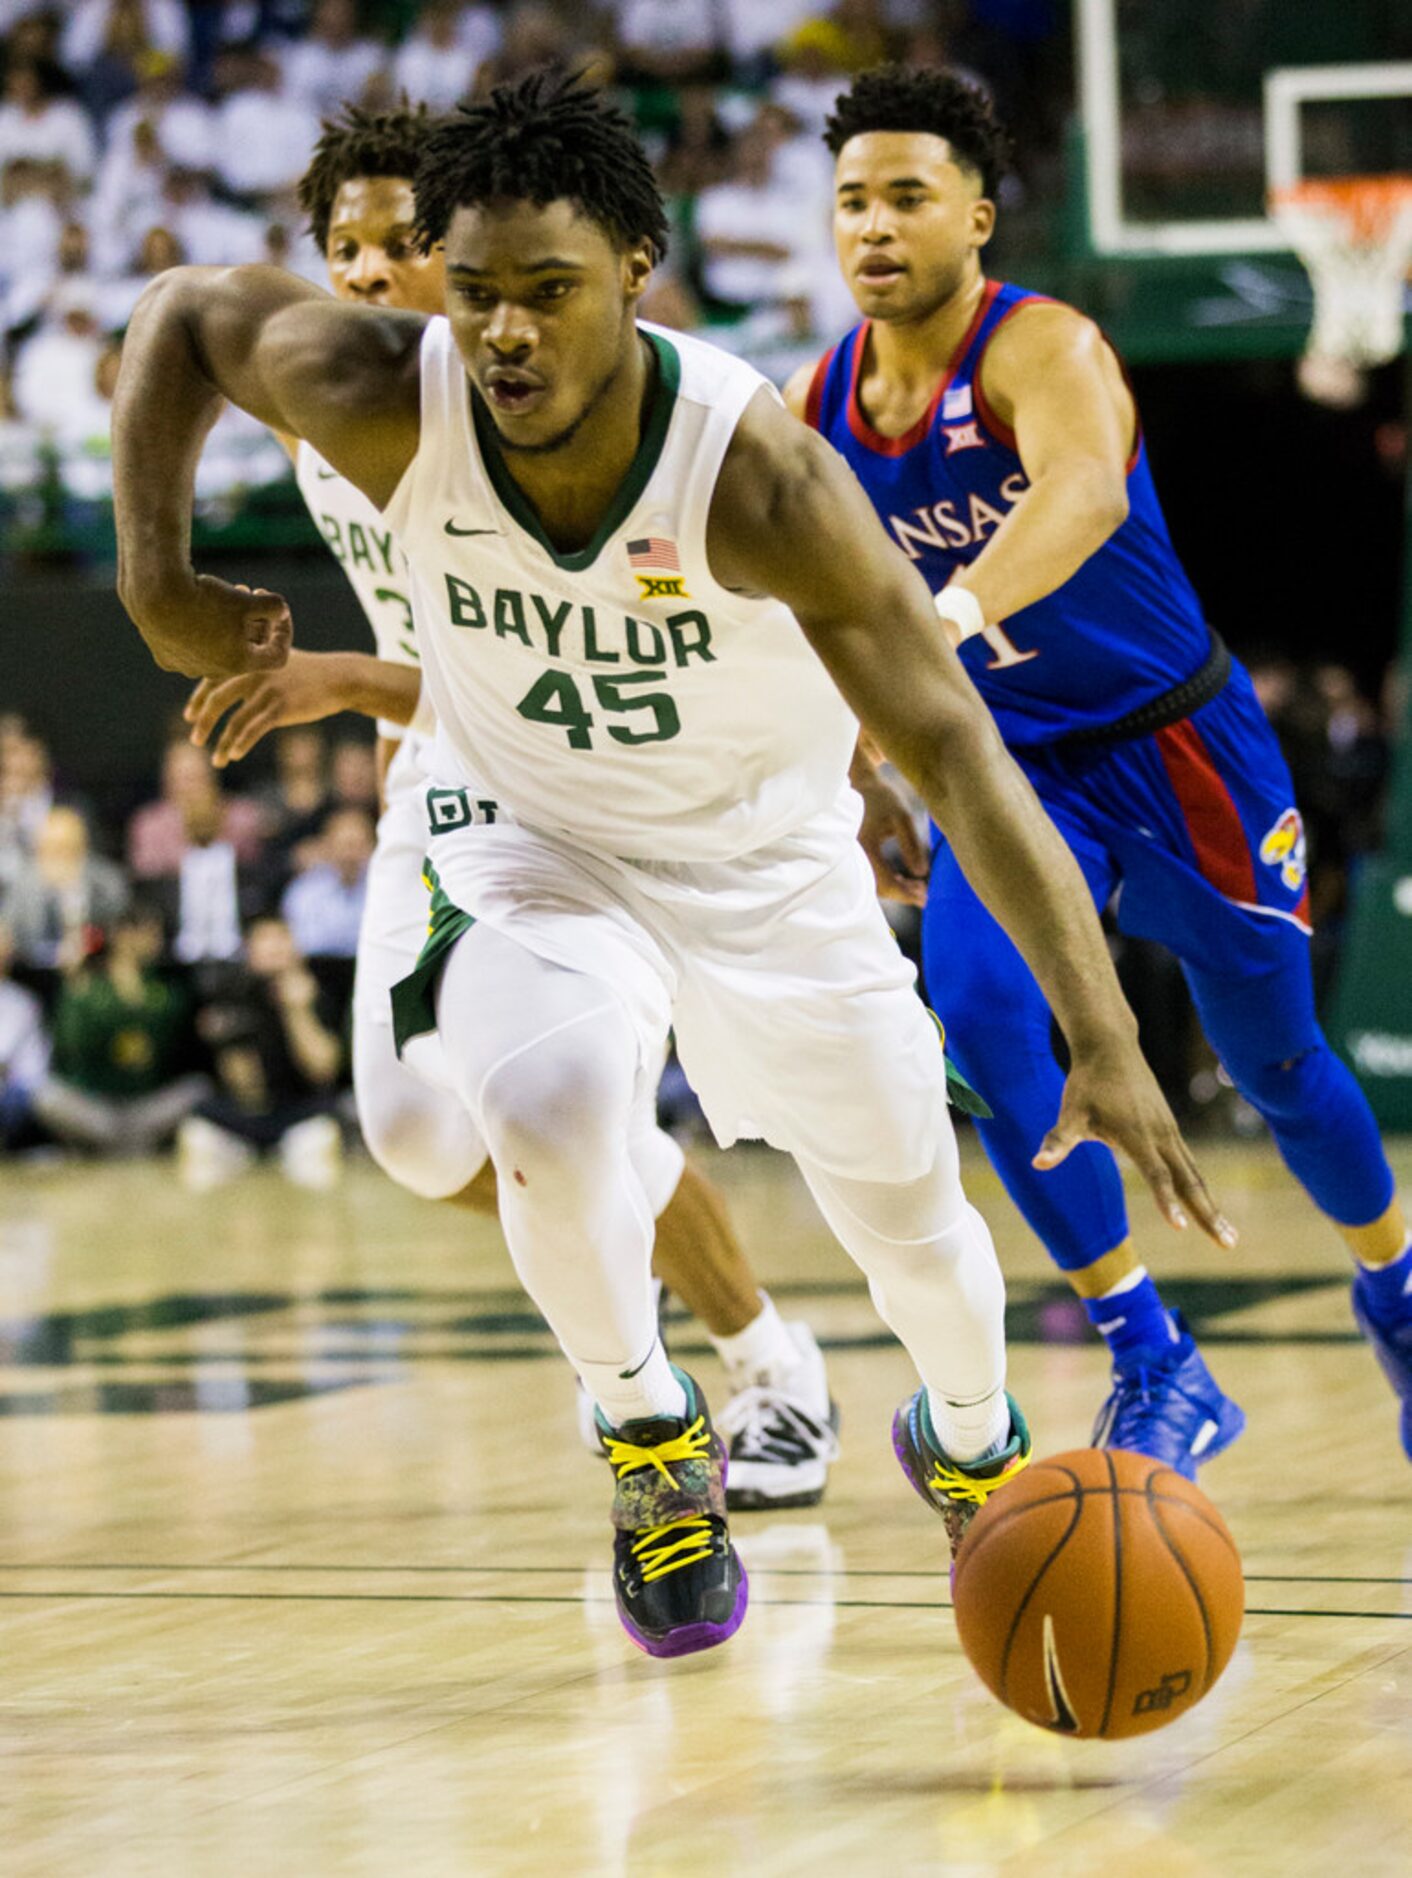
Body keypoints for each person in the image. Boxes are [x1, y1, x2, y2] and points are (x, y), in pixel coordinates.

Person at [112, 72, 1229, 1661]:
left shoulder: (758, 474)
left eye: (548, 295)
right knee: (540, 1114)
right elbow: (182, 315)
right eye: (478, 294)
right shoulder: (378, 387)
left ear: (637, 270)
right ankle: (651, 1438)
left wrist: (1104, 1031)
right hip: (538, 839)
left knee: (920, 1237)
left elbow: (961, 754)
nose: (502, 334)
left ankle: (970, 1433)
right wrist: (156, 583)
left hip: (769, 867)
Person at [178, 101, 844, 1515]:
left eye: (400, 241)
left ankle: (770, 1363)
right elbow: (176, 339)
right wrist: (155, 565)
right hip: (438, 763)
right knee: (421, 1136)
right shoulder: (344, 394)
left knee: (566, 1105)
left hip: (582, 763)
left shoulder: (559, 421)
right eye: (341, 246)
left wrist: (338, 678)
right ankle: (607, 1252)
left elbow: (547, 678)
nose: (364, 270)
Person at [791, 64, 1410, 1475]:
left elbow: (1073, 491)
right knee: (989, 1027)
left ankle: (1397, 1288)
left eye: (907, 197)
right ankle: (1154, 1354)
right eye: (851, 203)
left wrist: (942, 623)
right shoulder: (816, 401)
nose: (874, 227)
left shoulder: (1045, 347)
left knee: (1276, 1059)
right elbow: (808, 613)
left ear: (981, 218)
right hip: (1004, 769)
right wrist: (862, 759)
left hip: (1177, 743)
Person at [180, 914, 344, 1190]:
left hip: (299, 1111)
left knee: (321, 1140)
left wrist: (297, 1010)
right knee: (198, 1138)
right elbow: (242, 1084)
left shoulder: (314, 993)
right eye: (265, 940)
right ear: (249, 950)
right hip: (243, 1114)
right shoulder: (232, 995)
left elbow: (323, 1069)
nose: (275, 948)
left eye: (282, 939)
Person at [33, 901, 207, 1155]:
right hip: (98, 1108)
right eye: (149, 932)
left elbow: (171, 1037)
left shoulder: (165, 989)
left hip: (145, 1105)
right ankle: (128, 1148)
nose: (156, 941)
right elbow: (70, 1049)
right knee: (46, 1096)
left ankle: (115, 1149)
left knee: (198, 1089)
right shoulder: (88, 987)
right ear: (122, 935)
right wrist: (74, 984)